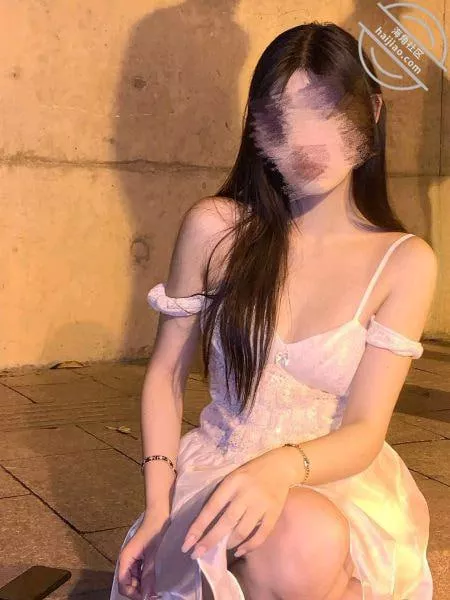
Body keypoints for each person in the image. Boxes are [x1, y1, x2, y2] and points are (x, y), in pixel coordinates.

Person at [109, 22, 437, 600]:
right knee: (286, 547)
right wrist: (157, 506)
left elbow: (366, 428)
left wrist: (281, 468)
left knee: (306, 539)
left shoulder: (404, 262)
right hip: (218, 469)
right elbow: (164, 375)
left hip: (334, 479)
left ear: (372, 112)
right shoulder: (217, 229)